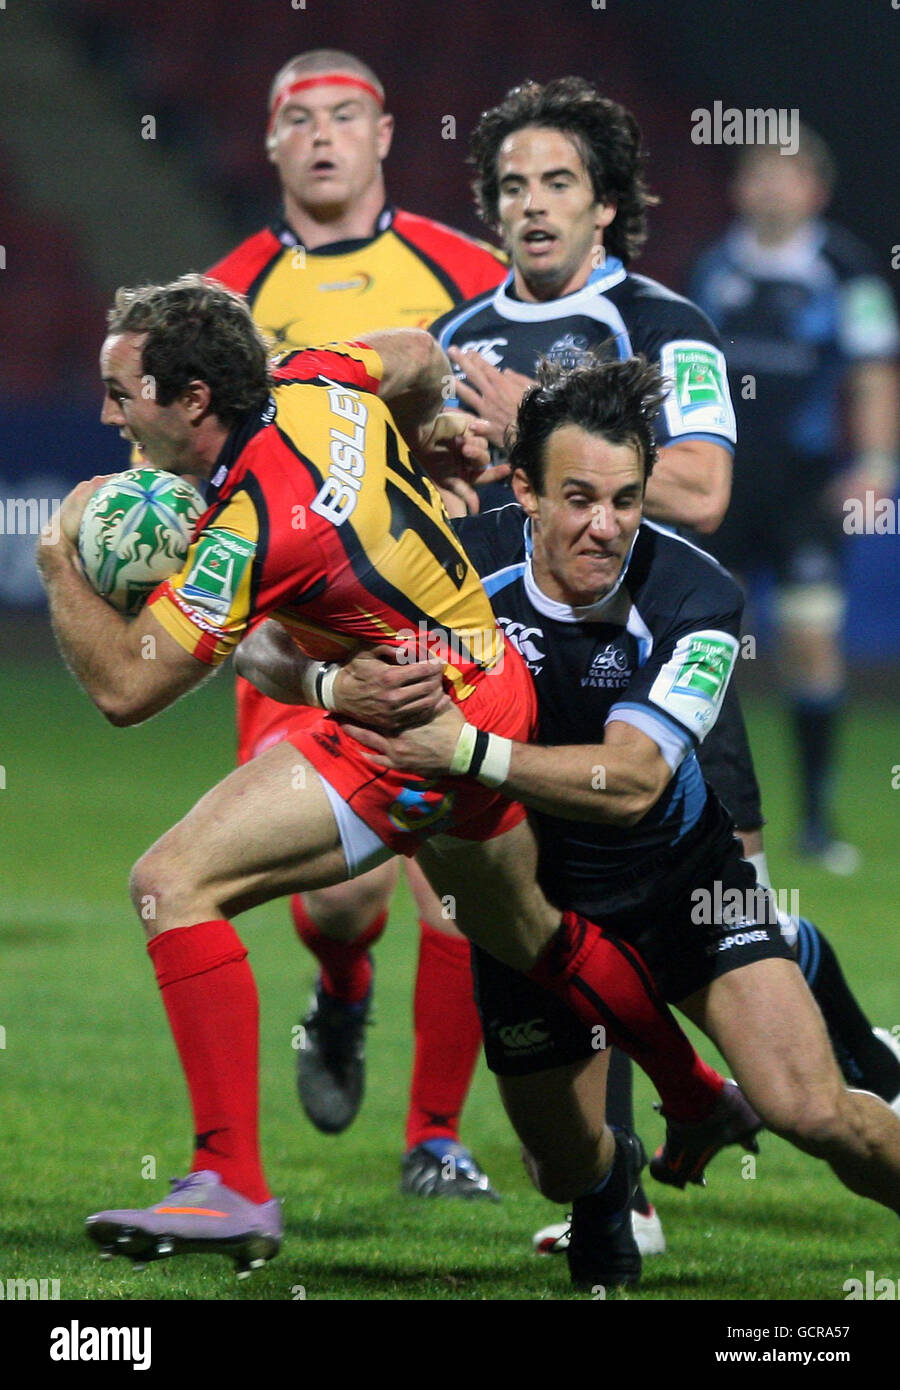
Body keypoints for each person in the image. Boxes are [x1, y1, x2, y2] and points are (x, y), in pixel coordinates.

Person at [37, 276, 742, 1278]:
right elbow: (414, 350)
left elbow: (124, 689)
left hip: (414, 725)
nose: (110, 413)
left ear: (193, 399)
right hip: (482, 678)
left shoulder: (249, 531)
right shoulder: (314, 381)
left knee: (173, 881)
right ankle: (697, 1089)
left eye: (124, 392)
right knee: (530, 934)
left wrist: (62, 562)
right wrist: (430, 429)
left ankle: (229, 1180)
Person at [318, 354, 900, 1288]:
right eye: (579, 498)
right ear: (524, 492)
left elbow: (630, 782)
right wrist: (331, 680)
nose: (606, 526)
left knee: (815, 1111)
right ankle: (608, 1185)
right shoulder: (452, 564)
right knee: (561, 1166)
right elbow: (271, 637)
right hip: (529, 914)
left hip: (684, 891)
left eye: (627, 499)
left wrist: (462, 754)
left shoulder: (695, 596)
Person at [205, 48, 509, 1198]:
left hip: (444, 620)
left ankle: (435, 1138)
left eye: (347, 116)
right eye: (301, 119)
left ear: (385, 135)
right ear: (273, 145)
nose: (324, 135)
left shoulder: (465, 269)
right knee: (340, 894)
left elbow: (519, 416)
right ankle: (341, 992)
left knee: (467, 881)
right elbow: (190, 468)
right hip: (304, 632)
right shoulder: (227, 293)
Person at [689, 126, 899, 873]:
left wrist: (875, 459)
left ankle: (815, 818)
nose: (772, 189)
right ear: (741, 187)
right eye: (760, 174)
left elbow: (873, 369)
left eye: (789, 176)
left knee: (811, 638)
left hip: (806, 484)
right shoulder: (711, 268)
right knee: (709, 642)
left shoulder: (846, 269)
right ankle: (707, 809)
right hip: (723, 480)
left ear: (816, 189)